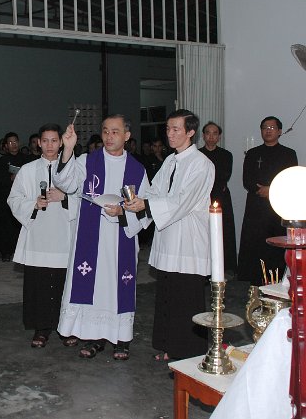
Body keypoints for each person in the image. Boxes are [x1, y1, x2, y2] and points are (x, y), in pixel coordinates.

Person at [54, 115, 149, 360]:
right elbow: (65, 183)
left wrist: (123, 212)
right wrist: (68, 149)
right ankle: (94, 336)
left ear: (127, 136)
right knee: (94, 286)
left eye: (115, 132)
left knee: (118, 285)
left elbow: (145, 209)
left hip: (121, 237)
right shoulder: (88, 161)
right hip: (90, 237)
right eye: (105, 131)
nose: (109, 136)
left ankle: (121, 340)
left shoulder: (137, 170)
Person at [125, 109, 214, 361]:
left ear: (190, 132)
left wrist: (147, 205)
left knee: (186, 299)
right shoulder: (170, 161)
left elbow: (183, 201)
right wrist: (137, 202)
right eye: (168, 129)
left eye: (176, 129)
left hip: (188, 241)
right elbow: (155, 191)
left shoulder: (201, 164)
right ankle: (168, 346)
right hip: (168, 239)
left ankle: (187, 352)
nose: (170, 134)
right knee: (168, 296)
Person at [8, 123, 78, 348]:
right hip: (38, 236)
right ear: (38, 143)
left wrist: (65, 197)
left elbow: (85, 197)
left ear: (61, 143)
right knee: (38, 284)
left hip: (64, 235)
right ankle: (41, 328)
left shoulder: (73, 169)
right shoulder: (27, 170)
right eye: (45, 141)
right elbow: (13, 199)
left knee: (63, 284)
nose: (49, 145)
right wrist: (33, 203)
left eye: (54, 140)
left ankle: (65, 328)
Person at [237, 116, 298, 285]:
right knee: (256, 244)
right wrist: (261, 190)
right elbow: (247, 180)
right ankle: (255, 282)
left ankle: (277, 281)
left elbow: (291, 178)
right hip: (256, 207)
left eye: (272, 128)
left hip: (278, 206)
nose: (268, 131)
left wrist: (271, 190)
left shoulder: (288, 153)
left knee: (277, 244)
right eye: (264, 128)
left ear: (279, 131)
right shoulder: (252, 153)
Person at [199, 121, 237, 274]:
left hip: (220, 197)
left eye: (215, 133)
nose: (211, 136)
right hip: (201, 198)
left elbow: (223, 176)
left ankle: (225, 266)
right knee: (203, 233)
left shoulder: (226, 155)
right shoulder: (197, 155)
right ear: (203, 136)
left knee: (223, 231)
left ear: (219, 137)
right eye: (208, 133)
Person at [0, 132, 32, 261]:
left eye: (15, 141)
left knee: (21, 224)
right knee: (6, 225)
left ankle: (22, 251)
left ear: (19, 143)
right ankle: (6, 252)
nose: (13, 144)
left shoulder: (27, 159)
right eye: (10, 142)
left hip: (24, 197)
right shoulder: (1, 161)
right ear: (6, 145)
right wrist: (10, 178)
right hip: (6, 196)